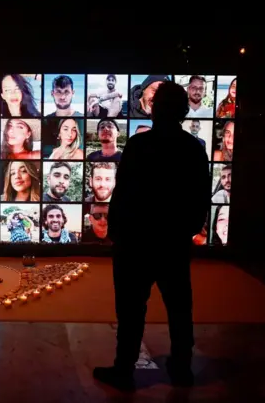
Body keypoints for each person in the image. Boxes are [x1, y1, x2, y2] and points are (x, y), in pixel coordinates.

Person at [93, 81, 211, 391]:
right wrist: (186, 232)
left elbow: (123, 193)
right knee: (179, 308)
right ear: (183, 111)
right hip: (172, 242)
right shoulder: (193, 148)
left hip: (136, 242)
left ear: (156, 109)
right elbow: (200, 198)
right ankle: (182, 370)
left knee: (131, 311)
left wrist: (117, 233)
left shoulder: (138, 145)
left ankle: (124, 369)